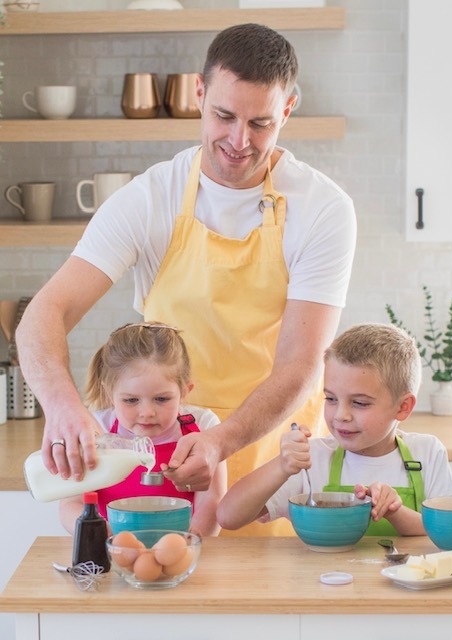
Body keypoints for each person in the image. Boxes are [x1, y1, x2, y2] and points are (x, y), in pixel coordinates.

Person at [16, 24, 356, 535]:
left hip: (276, 470)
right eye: (223, 116)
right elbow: (43, 315)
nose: (239, 141)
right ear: (199, 93)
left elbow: (301, 366)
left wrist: (218, 443)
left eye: (261, 122)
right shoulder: (150, 198)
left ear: (287, 110)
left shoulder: (324, 209)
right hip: (164, 466)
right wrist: (64, 409)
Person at [217, 323, 452, 535]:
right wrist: (281, 466)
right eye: (331, 399)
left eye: (360, 403)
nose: (341, 415)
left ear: (403, 407)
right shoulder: (314, 458)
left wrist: (395, 511)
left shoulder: (427, 453)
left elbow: (448, 531)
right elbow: (228, 517)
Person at [58, 322, 226, 537]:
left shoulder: (204, 427)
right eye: (131, 400)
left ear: (185, 391)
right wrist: (103, 536)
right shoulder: (95, 428)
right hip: (112, 549)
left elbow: (212, 502)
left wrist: (188, 545)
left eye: (161, 399)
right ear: (109, 392)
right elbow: (71, 504)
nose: (147, 412)